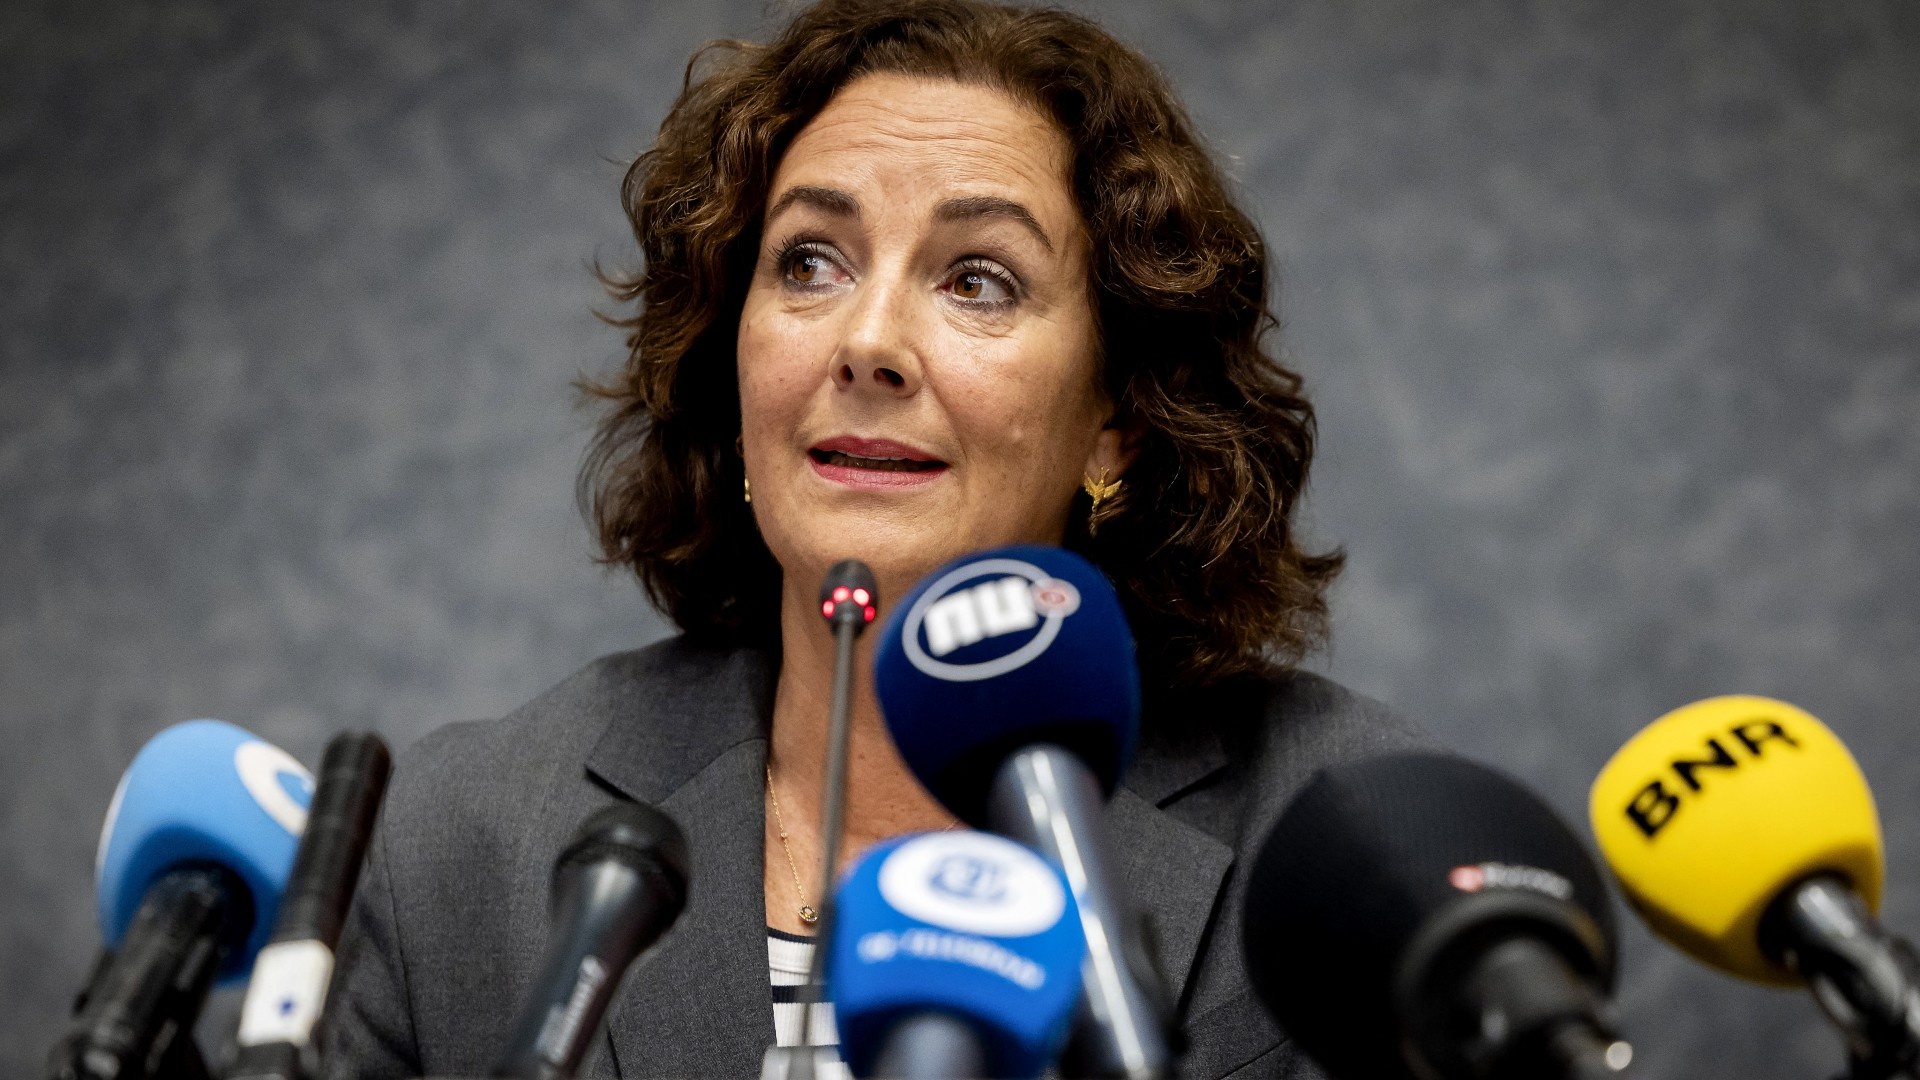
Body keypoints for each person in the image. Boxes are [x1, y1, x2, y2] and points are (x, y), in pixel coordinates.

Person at [325, 1, 1424, 1077]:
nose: (868, 343)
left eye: (976, 279)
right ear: (734, 356)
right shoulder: (463, 845)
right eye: (811, 260)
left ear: (1120, 422)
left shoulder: (1348, 834)